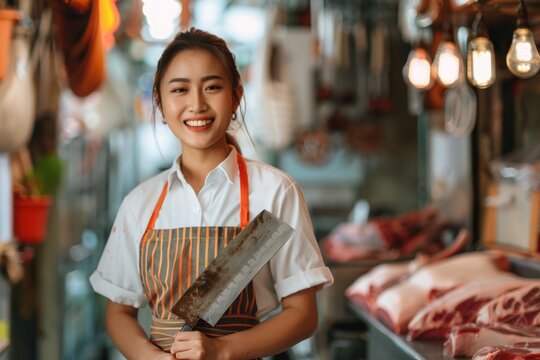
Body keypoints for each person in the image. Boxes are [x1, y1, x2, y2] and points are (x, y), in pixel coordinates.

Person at [90, 27, 333, 360]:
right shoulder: (140, 204)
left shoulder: (276, 192)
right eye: (180, 89)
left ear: (235, 97)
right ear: (159, 102)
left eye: (213, 87)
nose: (197, 104)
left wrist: (221, 349)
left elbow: (303, 315)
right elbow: (118, 312)